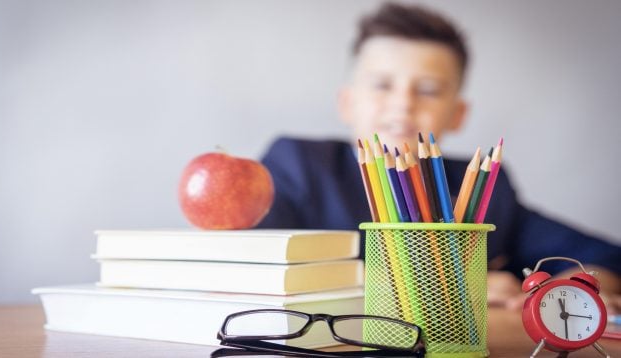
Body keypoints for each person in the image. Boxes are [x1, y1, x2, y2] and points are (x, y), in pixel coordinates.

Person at [256, 2, 621, 312]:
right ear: (347, 102)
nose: (403, 103)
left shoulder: (481, 186)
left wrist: (568, 291)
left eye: (429, 90)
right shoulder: (299, 164)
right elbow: (254, 263)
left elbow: (604, 258)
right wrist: (452, 295)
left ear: (458, 114)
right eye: (383, 85)